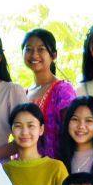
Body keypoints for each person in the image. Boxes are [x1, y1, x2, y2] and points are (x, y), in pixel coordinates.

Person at [19, 28, 78, 158]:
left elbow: (72, 132)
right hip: (26, 168)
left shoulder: (63, 90)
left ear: (54, 55)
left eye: (41, 49)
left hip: (56, 169)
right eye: (28, 49)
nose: (34, 55)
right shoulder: (23, 93)